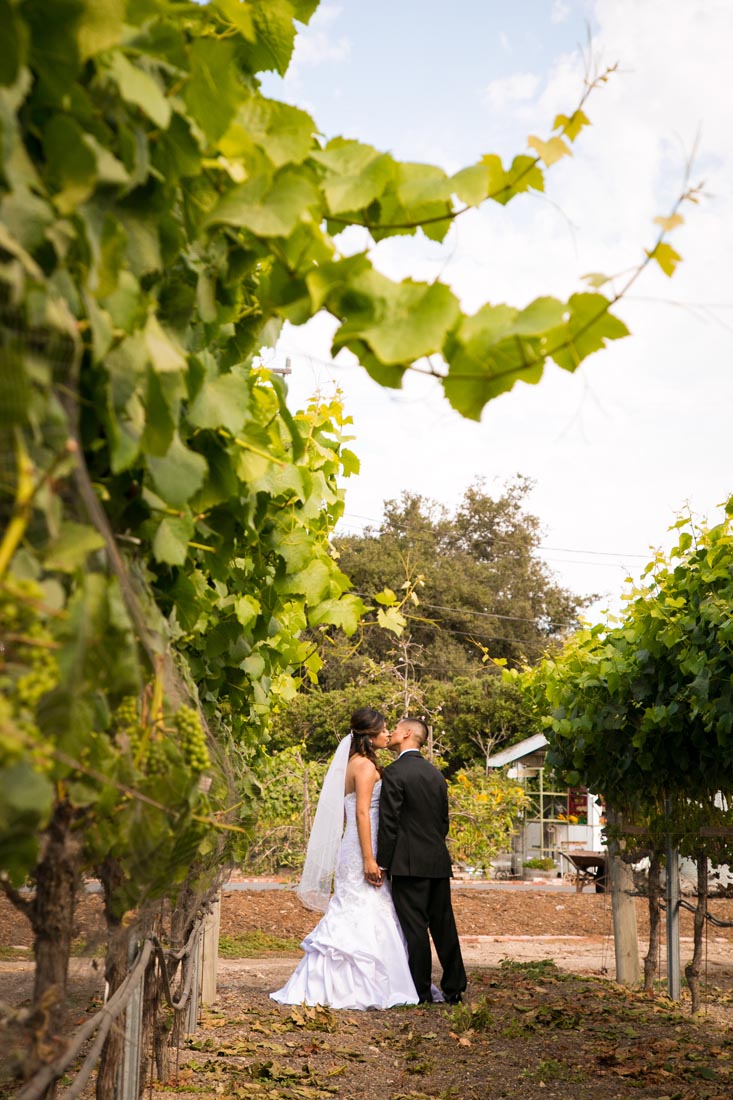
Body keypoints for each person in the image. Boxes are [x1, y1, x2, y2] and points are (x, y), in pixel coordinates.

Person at [270, 707, 419, 1010]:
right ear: (369, 735)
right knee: (362, 909)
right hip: (363, 846)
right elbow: (362, 812)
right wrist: (369, 858)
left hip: (354, 842)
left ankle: (355, 980)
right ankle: (361, 985)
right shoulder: (364, 767)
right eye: (383, 730)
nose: (388, 734)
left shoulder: (352, 762)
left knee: (360, 908)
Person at [376, 716, 467, 1005]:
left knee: (414, 927)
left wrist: (383, 863)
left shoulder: (394, 773)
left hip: (407, 863)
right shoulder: (436, 774)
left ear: (406, 734)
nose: (390, 733)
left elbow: (389, 824)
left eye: (395, 729)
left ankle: (420, 990)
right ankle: (454, 986)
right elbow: (443, 822)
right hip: (437, 861)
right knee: (443, 925)